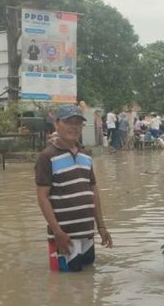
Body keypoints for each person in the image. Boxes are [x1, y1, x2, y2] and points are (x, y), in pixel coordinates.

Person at [35, 104, 113, 272]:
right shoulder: (47, 157)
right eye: (69, 122)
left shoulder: (85, 156)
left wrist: (101, 226)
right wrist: (57, 232)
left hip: (87, 234)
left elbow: (93, 191)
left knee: (86, 285)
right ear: (56, 124)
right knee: (65, 287)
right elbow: (42, 197)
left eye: (78, 123)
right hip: (64, 238)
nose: (74, 127)